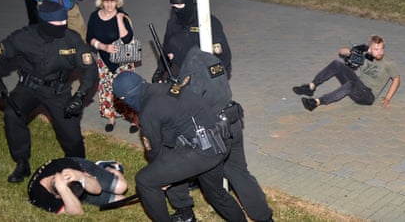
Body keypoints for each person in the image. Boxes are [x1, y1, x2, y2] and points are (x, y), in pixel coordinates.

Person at [0, 1, 98, 183]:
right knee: (12, 116)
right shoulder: (23, 37)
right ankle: (22, 162)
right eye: (56, 24)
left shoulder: (72, 39)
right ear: (43, 23)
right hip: (29, 88)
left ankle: (79, 167)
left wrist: (79, 96)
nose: (62, 26)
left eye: (64, 23)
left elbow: (90, 70)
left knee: (72, 137)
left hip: (58, 92)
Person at [112, 71, 247, 222]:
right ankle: (186, 215)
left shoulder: (148, 112)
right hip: (219, 142)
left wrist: (161, 177)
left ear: (125, 98)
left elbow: (154, 151)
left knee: (145, 180)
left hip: (202, 151)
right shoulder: (165, 88)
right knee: (216, 194)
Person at [169, 46, 274, 222]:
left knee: (213, 189)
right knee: (240, 173)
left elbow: (189, 100)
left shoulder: (192, 65)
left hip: (215, 133)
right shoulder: (212, 61)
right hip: (233, 122)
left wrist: (176, 88)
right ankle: (265, 218)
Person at [292, 35, 400, 111]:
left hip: (368, 96)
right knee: (337, 64)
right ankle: (311, 87)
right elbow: (341, 52)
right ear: (370, 49)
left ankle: (316, 103)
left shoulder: (388, 63)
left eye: (381, 49)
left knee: (350, 85)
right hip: (358, 86)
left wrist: (387, 98)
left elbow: (396, 79)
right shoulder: (365, 57)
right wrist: (354, 50)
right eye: (376, 49)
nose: (380, 52)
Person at [152, 0, 232, 83]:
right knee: (167, 94)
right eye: (174, 7)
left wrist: (207, 76)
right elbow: (166, 50)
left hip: (206, 71)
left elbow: (224, 57)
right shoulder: (173, 23)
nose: (176, 10)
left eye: (180, 6)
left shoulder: (207, 22)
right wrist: (160, 70)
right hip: (181, 69)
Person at [86, 0, 139, 133]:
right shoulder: (94, 17)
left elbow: (128, 39)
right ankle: (111, 117)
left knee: (127, 90)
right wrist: (103, 46)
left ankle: (134, 118)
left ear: (117, 1)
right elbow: (89, 38)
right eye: (106, 0)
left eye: (112, 0)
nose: (109, 4)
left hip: (122, 60)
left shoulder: (122, 16)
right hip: (104, 60)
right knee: (107, 88)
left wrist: (119, 20)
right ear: (101, 2)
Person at [28, 158, 128, 214]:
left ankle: (106, 167)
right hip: (74, 194)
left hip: (81, 169)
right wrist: (63, 189)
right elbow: (78, 213)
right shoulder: (39, 197)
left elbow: (97, 190)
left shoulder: (63, 166)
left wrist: (80, 176)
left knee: (121, 187)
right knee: (123, 202)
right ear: (59, 197)